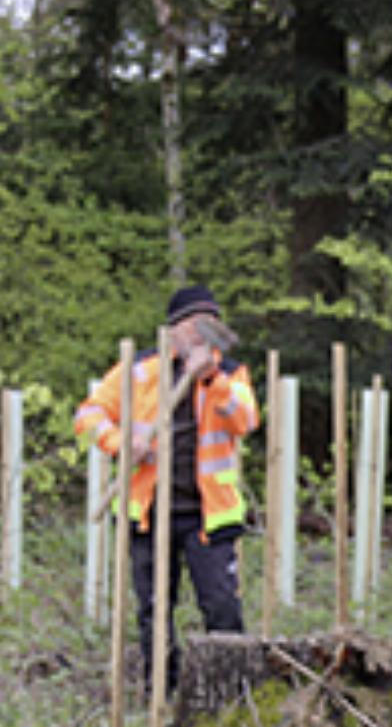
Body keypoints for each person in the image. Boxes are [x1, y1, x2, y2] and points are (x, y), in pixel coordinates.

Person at [74, 284, 258, 690]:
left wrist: (211, 380)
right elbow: (86, 418)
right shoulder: (139, 371)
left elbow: (245, 420)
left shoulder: (228, 372)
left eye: (209, 325)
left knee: (223, 608)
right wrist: (121, 442)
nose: (199, 334)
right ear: (174, 330)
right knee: (154, 609)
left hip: (209, 515)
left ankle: (231, 697)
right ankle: (162, 693)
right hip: (149, 512)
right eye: (193, 325)